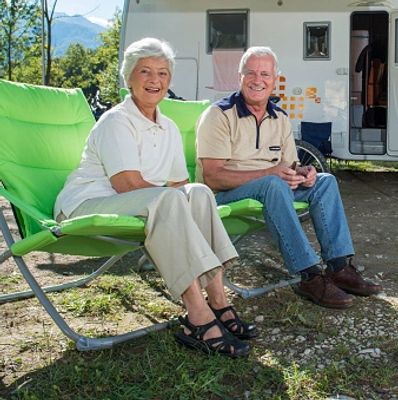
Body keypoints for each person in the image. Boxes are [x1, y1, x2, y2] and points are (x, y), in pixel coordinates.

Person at [54, 38, 257, 357]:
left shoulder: (169, 127)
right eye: (145, 71)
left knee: (200, 193)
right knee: (171, 199)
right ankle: (197, 318)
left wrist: (184, 200)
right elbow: (128, 184)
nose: (155, 80)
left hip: (134, 205)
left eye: (163, 73)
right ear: (128, 78)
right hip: (87, 205)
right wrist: (173, 202)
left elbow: (180, 184)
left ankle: (219, 301)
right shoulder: (116, 121)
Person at [196, 46, 382, 309]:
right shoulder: (219, 115)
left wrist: (303, 174)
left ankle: (339, 268)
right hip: (227, 195)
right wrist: (270, 174)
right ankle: (309, 275)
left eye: (265, 73)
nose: (257, 80)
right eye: (250, 73)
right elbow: (213, 178)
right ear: (239, 77)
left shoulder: (279, 117)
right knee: (273, 183)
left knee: (325, 182)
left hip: (272, 189)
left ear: (275, 79)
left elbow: (289, 165)